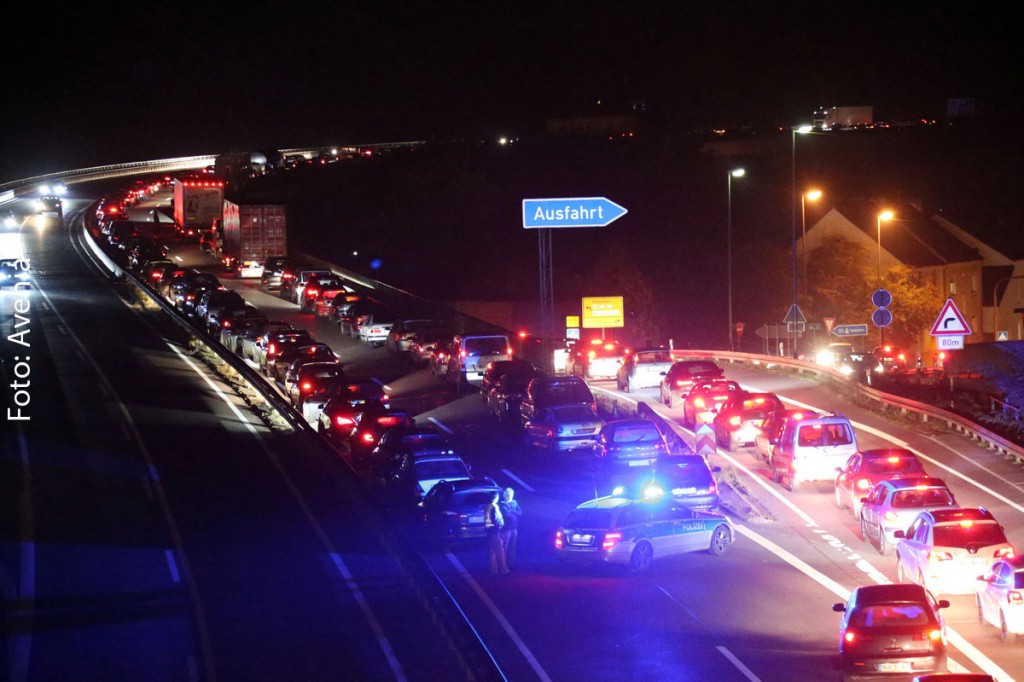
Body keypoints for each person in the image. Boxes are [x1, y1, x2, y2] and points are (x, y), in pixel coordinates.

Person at [484, 491, 508, 575]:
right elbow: (496, 520)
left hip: (490, 532)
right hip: (496, 531)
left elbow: (488, 522)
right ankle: (504, 569)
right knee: (500, 551)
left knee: (492, 552)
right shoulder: (494, 507)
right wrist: (499, 530)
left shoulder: (487, 507)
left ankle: (493, 570)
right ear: (496, 498)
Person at [499, 487, 522, 569]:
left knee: (512, 547)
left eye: (511, 495)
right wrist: (513, 511)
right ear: (505, 495)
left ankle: (511, 564)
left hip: (514, 529)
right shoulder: (502, 504)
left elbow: (520, 512)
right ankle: (503, 564)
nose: (510, 496)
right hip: (507, 529)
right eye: (508, 495)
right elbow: (507, 515)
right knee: (505, 547)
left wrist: (512, 510)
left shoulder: (514, 502)